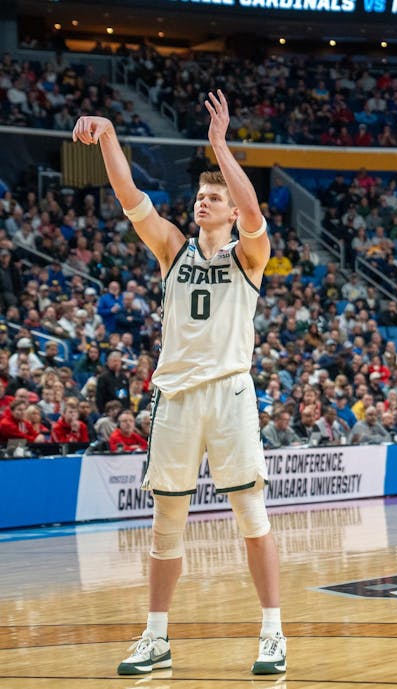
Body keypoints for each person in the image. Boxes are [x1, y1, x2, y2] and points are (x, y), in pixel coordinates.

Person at [74, 91, 286, 676]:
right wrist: (111, 136)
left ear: (231, 210)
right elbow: (128, 198)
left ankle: (272, 632)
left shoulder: (251, 255)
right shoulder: (172, 248)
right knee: (165, 524)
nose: (202, 202)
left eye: (213, 197)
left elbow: (254, 213)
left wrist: (220, 148)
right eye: (199, 195)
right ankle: (157, 636)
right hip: (175, 397)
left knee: (251, 514)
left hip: (230, 394)